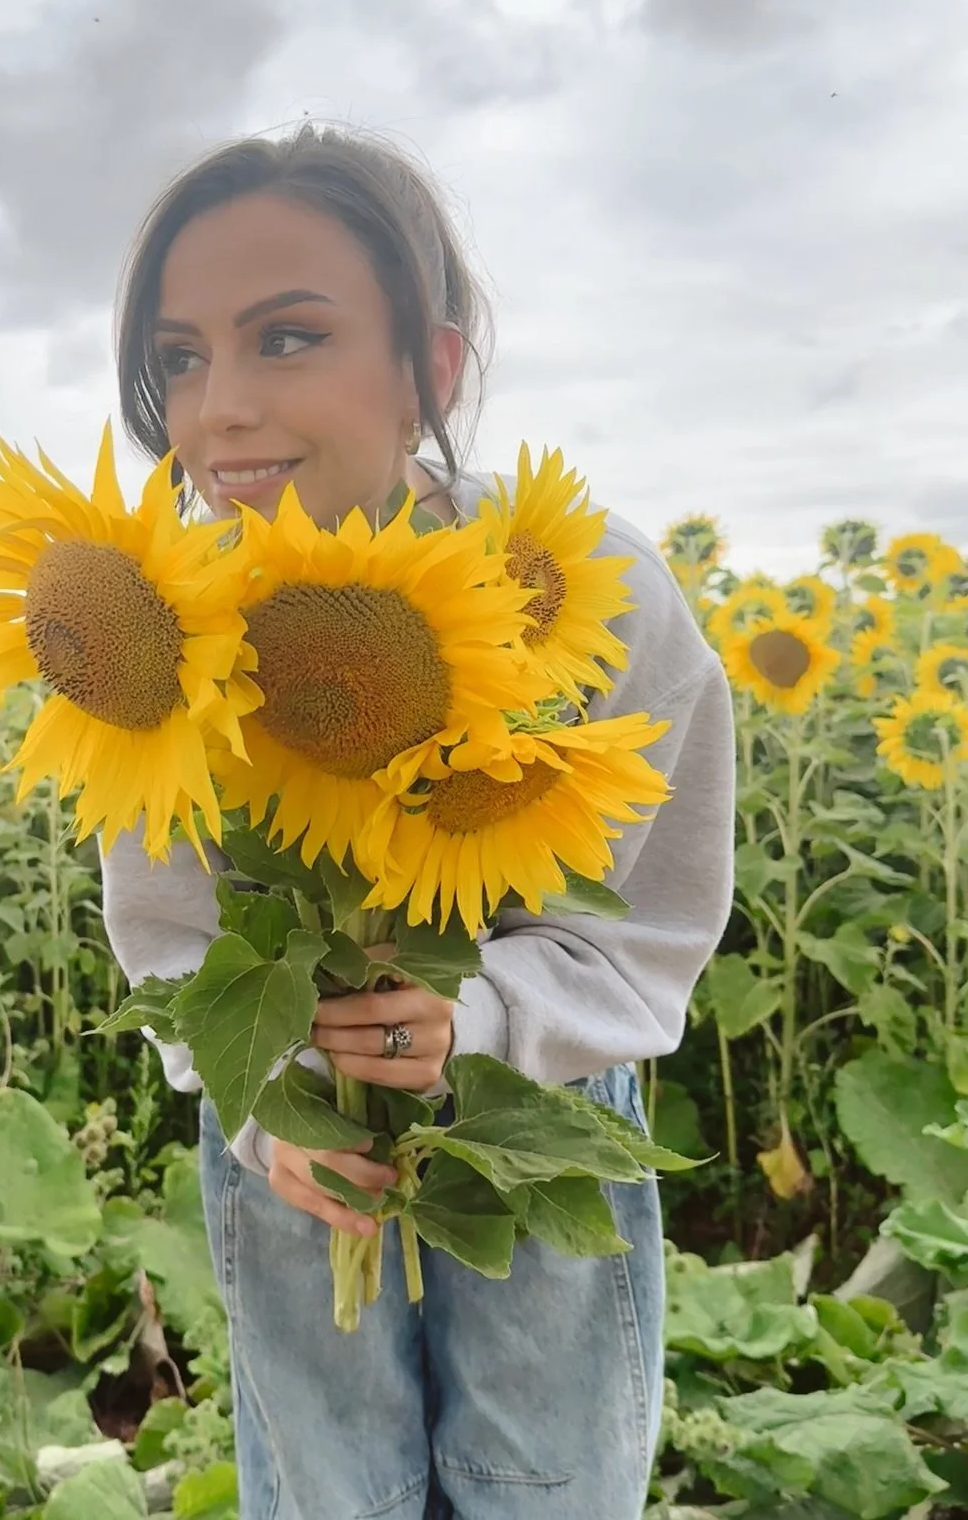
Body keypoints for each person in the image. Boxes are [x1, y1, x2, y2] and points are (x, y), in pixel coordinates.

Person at [98, 122, 736, 1520]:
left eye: (288, 337)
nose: (219, 411)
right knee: (326, 1482)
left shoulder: (585, 591)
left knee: (546, 1477)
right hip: (287, 1134)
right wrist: (270, 1115)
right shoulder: (159, 628)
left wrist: (485, 1020)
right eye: (182, 357)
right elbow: (169, 941)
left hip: (535, 1106)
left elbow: (655, 928)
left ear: (428, 372)